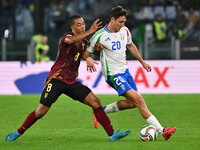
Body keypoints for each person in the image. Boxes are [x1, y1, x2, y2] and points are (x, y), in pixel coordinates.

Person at [5, 15, 131, 142]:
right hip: (56, 80)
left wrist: (95, 52)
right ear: (72, 27)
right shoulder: (67, 37)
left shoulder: (83, 42)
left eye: (83, 24)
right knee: (41, 111)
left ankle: (112, 134)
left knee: (95, 102)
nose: (82, 26)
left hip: (71, 82)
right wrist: (90, 31)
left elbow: (87, 53)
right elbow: (71, 41)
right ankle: (18, 132)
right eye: (79, 24)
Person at [83, 6, 176, 140]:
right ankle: (163, 131)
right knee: (139, 100)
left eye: (124, 22)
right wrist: (89, 59)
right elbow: (86, 53)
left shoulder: (125, 31)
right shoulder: (100, 35)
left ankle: (100, 112)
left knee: (132, 103)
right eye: (120, 22)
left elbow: (131, 45)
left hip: (125, 72)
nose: (123, 24)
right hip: (113, 75)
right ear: (112, 19)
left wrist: (142, 62)